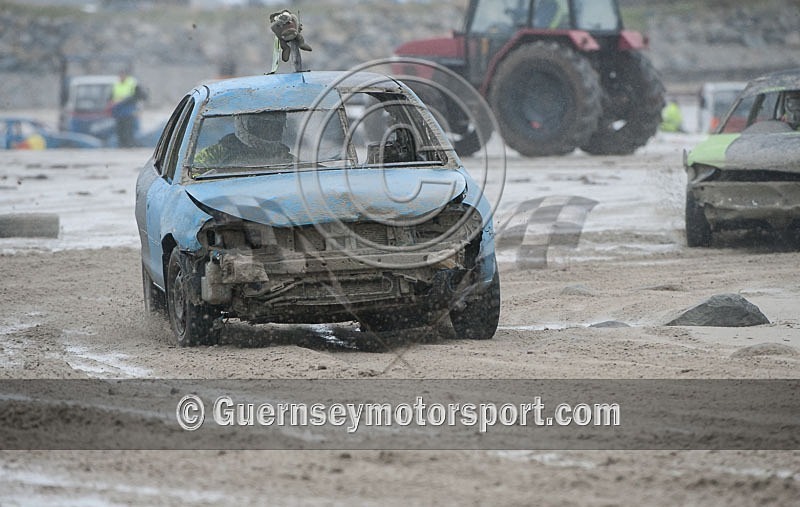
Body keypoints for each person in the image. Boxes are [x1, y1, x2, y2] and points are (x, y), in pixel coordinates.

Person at [194, 111, 294, 167]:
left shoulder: (290, 162)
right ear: (243, 122)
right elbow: (192, 181)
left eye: (274, 125)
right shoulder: (214, 155)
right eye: (261, 124)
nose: (268, 129)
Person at [110, 68, 145, 148]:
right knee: (120, 130)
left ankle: (128, 145)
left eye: (122, 75)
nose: (121, 77)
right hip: (119, 112)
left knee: (128, 130)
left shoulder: (132, 83)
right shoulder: (116, 84)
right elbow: (112, 96)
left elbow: (137, 95)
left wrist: (124, 100)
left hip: (128, 111)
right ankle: (122, 145)